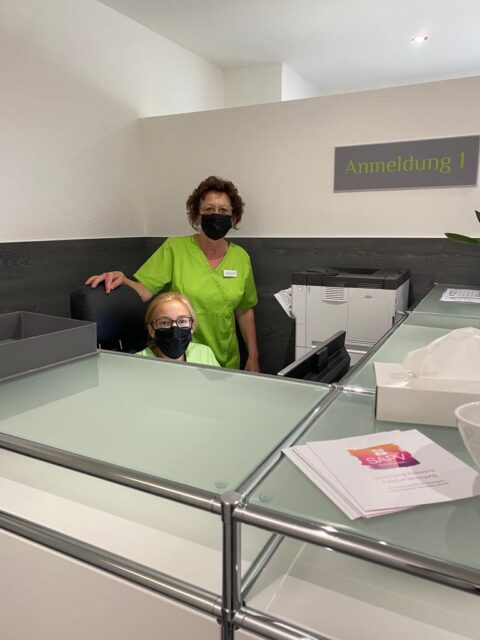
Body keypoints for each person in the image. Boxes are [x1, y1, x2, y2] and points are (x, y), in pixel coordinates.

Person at [86, 176, 259, 371]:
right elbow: (144, 289)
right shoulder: (175, 249)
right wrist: (123, 279)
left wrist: (253, 356)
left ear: (233, 218)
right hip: (180, 355)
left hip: (226, 359)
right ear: (197, 216)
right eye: (209, 209)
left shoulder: (240, 257)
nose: (216, 215)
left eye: (223, 210)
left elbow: (244, 310)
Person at [136, 292, 219, 366]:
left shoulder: (204, 353)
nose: (175, 330)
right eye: (164, 322)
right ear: (151, 330)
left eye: (182, 321)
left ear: (192, 326)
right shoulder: (137, 362)